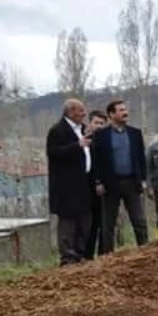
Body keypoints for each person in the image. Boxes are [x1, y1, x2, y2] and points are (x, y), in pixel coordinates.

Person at [90, 99, 149, 254]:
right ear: (111, 114)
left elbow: (141, 158)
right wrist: (98, 182)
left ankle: (145, 251)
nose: (125, 112)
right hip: (110, 184)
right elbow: (96, 161)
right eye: (121, 110)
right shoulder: (101, 135)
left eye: (125, 109)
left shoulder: (135, 133)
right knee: (108, 223)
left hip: (131, 182)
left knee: (139, 220)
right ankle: (107, 256)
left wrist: (143, 179)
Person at [45, 99, 94, 264]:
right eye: (81, 111)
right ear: (71, 112)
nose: (84, 114)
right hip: (66, 187)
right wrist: (77, 145)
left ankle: (80, 254)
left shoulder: (82, 129)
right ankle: (68, 258)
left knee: (85, 221)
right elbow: (53, 153)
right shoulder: (57, 130)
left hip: (83, 184)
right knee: (68, 223)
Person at [83, 110, 108, 260]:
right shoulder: (85, 141)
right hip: (87, 190)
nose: (99, 126)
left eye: (101, 123)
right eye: (96, 123)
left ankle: (104, 255)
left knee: (105, 225)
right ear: (90, 123)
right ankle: (87, 256)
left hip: (105, 190)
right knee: (90, 226)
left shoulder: (107, 141)